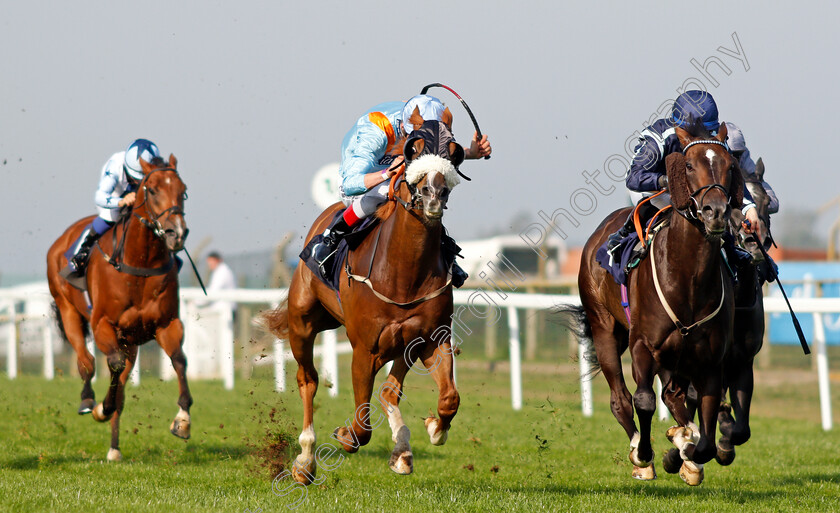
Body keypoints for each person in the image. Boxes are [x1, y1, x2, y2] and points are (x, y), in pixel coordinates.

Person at [311, 94, 492, 286]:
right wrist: (386, 173)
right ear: (407, 129)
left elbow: (439, 156)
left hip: (395, 166)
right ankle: (331, 237)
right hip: (360, 178)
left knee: (428, 190)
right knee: (384, 192)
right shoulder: (376, 130)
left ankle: (443, 247)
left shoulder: (427, 121)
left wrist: (472, 153)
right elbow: (350, 184)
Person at [606, 91, 760, 270]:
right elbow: (634, 177)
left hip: (697, 190)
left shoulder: (714, 139)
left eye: (708, 132)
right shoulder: (659, 138)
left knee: (716, 208)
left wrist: (749, 207)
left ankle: (730, 249)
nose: (704, 138)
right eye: (696, 133)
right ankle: (625, 234)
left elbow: (731, 175)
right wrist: (669, 181)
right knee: (676, 205)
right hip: (652, 187)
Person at [67, 139, 160, 274]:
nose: (137, 182)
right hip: (117, 192)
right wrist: (120, 201)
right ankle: (83, 250)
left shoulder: (155, 167)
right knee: (111, 216)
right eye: (135, 178)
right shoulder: (115, 167)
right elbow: (99, 197)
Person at [724, 122, 779, 215]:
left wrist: (755, 205)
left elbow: (774, 204)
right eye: (730, 154)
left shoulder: (745, 161)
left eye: (737, 154)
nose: (734, 159)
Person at [204, 251, 237, 317]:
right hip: (224, 310)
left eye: (211, 261)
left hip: (225, 311)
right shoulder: (221, 271)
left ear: (217, 260)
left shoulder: (221, 272)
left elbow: (213, 291)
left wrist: (198, 302)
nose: (209, 264)